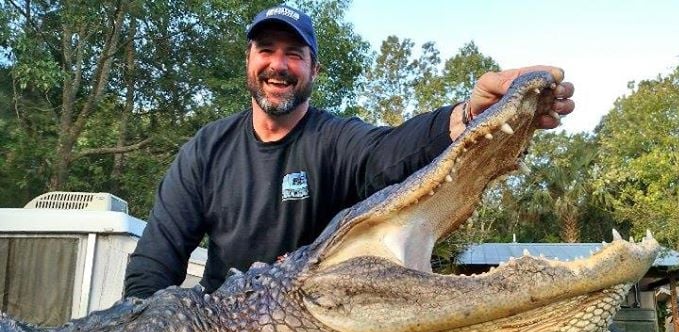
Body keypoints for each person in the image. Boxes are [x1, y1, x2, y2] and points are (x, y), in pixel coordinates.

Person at [123, 5, 575, 299]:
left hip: (319, 323)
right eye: (267, 50)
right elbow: (155, 262)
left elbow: (391, 153)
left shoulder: (335, 140)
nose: (278, 65)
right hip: (226, 328)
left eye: (294, 54)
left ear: (313, 68)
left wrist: (469, 113)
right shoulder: (207, 149)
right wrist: (142, 327)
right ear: (249, 61)